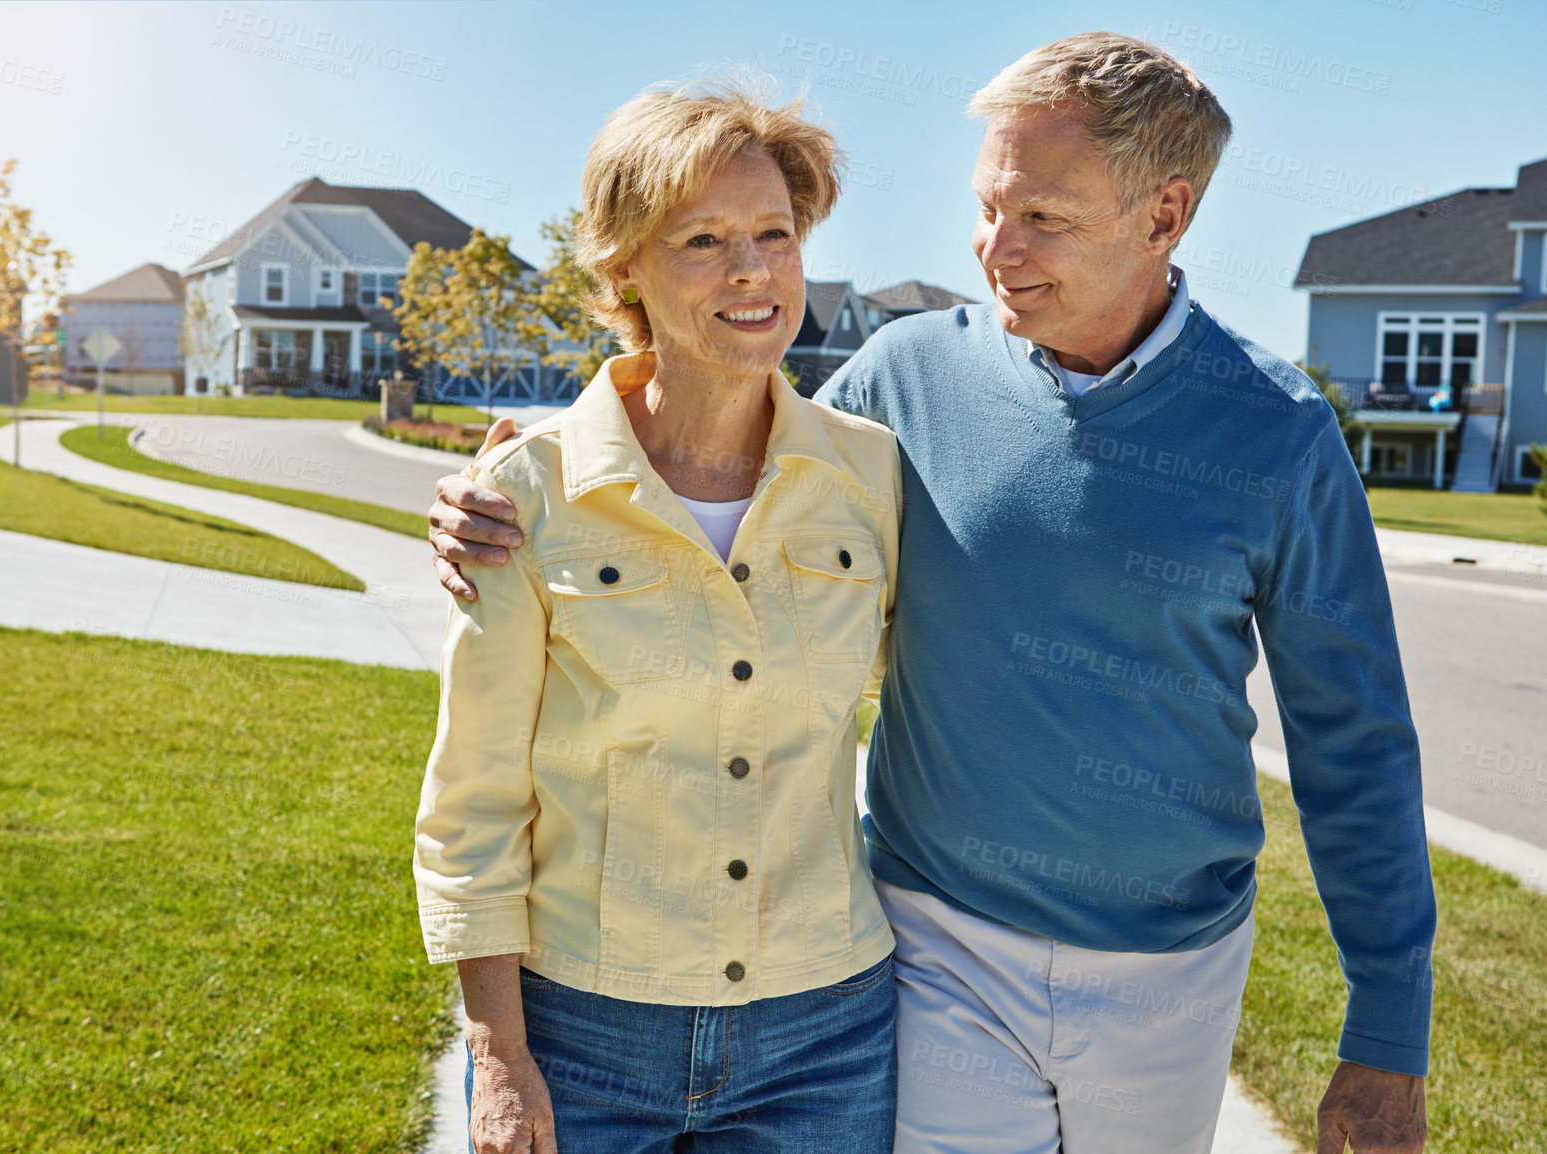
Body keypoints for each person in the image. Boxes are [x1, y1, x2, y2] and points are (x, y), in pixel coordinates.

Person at [427, 33, 1435, 1154]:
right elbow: (714, 397)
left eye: (1041, 218)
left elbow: (1356, 743)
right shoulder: (902, 383)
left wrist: (1389, 1028)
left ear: (1163, 216)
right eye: (987, 205)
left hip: (1170, 964)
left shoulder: (1280, 433)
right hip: (932, 940)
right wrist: (526, 470)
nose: (994, 249)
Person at [412, 80, 905, 1154]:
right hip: (581, 1032)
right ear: (622, 263)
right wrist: (497, 1052)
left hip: (826, 1030)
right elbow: (473, 800)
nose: (751, 270)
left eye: (775, 234)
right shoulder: (527, 494)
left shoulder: (871, 476)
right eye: (702, 239)